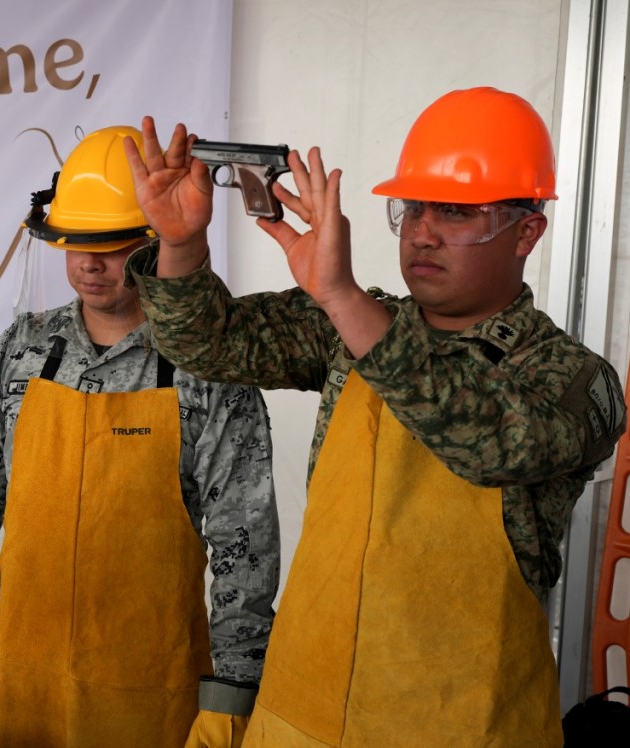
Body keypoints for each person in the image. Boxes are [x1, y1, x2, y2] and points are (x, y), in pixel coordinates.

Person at [122, 88, 627, 746]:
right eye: (411, 208)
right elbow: (203, 342)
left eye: (453, 212)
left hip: (457, 725)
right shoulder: (348, 325)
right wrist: (180, 244)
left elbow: (493, 445)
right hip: (301, 715)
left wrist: (340, 295)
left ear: (526, 231)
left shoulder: (573, 377)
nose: (421, 231)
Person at [0, 125, 279, 748]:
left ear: (157, 235)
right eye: (73, 243)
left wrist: (236, 691)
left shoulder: (209, 365)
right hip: (26, 675)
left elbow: (243, 539)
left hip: (152, 689)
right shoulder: (23, 349)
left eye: (110, 246)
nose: (88, 265)